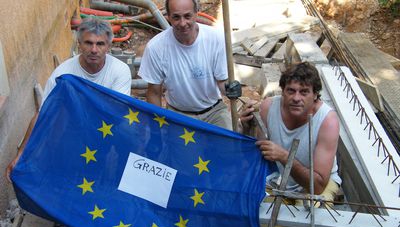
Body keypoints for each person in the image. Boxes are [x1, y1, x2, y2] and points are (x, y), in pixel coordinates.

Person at [5, 18, 132, 181]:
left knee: (128, 132)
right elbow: (43, 113)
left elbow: (117, 112)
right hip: (74, 126)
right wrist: (21, 153)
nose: (94, 49)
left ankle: (120, 178)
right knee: (72, 166)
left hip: (106, 125)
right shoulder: (63, 73)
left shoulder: (119, 70)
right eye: (88, 43)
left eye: (100, 44)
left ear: (108, 46)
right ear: (79, 43)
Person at [240, 62, 341, 201]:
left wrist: (284, 157)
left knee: (311, 219)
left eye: (304, 92)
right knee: (256, 216)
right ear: (283, 91)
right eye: (291, 91)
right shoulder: (268, 108)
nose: (296, 98)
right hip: (280, 180)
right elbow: (259, 151)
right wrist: (247, 128)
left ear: (315, 95)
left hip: (317, 185)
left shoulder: (327, 121)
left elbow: (318, 186)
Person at [138, 0, 232, 130]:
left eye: (187, 16)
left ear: (196, 13)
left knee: (228, 147)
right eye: (176, 17)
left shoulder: (216, 38)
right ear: (169, 16)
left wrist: (230, 89)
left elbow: (222, 81)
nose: (182, 23)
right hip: (178, 114)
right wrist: (155, 129)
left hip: (214, 112)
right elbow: (154, 92)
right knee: (180, 150)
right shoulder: (156, 47)